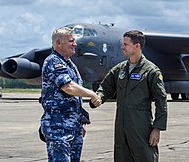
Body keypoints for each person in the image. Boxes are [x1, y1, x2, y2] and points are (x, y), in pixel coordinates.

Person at [91, 30, 168, 162]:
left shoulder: (151, 71)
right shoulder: (120, 69)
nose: (122, 47)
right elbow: (106, 87)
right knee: (121, 156)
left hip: (140, 124)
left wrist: (157, 128)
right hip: (121, 124)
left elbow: (161, 100)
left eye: (126, 44)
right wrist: (99, 97)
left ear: (137, 46)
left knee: (145, 156)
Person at [40, 27, 101, 162]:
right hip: (58, 126)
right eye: (71, 41)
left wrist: (78, 122)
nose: (75, 44)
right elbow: (69, 87)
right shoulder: (53, 61)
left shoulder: (70, 65)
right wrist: (92, 94)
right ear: (58, 43)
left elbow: (74, 97)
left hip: (72, 126)